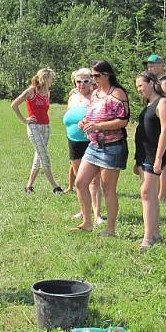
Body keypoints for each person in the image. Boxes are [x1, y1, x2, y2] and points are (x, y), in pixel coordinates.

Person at [70, 60, 130, 235]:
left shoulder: (118, 94)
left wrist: (98, 126)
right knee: (80, 183)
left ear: (107, 75)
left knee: (108, 189)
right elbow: (90, 115)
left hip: (112, 147)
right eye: (92, 76)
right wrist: (85, 122)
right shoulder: (96, 94)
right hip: (94, 145)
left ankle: (110, 229)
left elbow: (123, 120)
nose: (93, 79)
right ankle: (87, 222)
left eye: (96, 76)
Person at [134, 71, 166, 250]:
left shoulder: (162, 102)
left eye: (141, 86)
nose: (139, 90)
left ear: (151, 82)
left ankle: (147, 238)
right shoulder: (149, 103)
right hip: (144, 154)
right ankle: (155, 233)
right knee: (150, 195)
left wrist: (158, 158)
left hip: (153, 155)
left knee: (147, 194)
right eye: (137, 87)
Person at [11, 68, 63, 194]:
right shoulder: (31, 91)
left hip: (46, 127)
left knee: (39, 157)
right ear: (45, 78)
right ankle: (55, 187)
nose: (52, 80)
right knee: (44, 156)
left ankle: (28, 187)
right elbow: (14, 104)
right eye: (50, 78)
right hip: (34, 127)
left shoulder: (47, 92)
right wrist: (25, 120)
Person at [62, 68, 103, 224]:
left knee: (94, 180)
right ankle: (83, 210)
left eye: (86, 81)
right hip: (73, 141)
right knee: (80, 180)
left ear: (92, 81)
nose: (82, 84)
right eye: (78, 81)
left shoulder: (96, 96)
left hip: (91, 141)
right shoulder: (73, 96)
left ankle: (97, 214)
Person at [145, 54, 166, 200]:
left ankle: (161, 194)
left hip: (162, 126)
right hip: (154, 125)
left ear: (161, 66)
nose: (149, 67)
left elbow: (165, 105)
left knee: (162, 158)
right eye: (148, 65)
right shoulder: (155, 82)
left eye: (153, 64)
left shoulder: (164, 83)